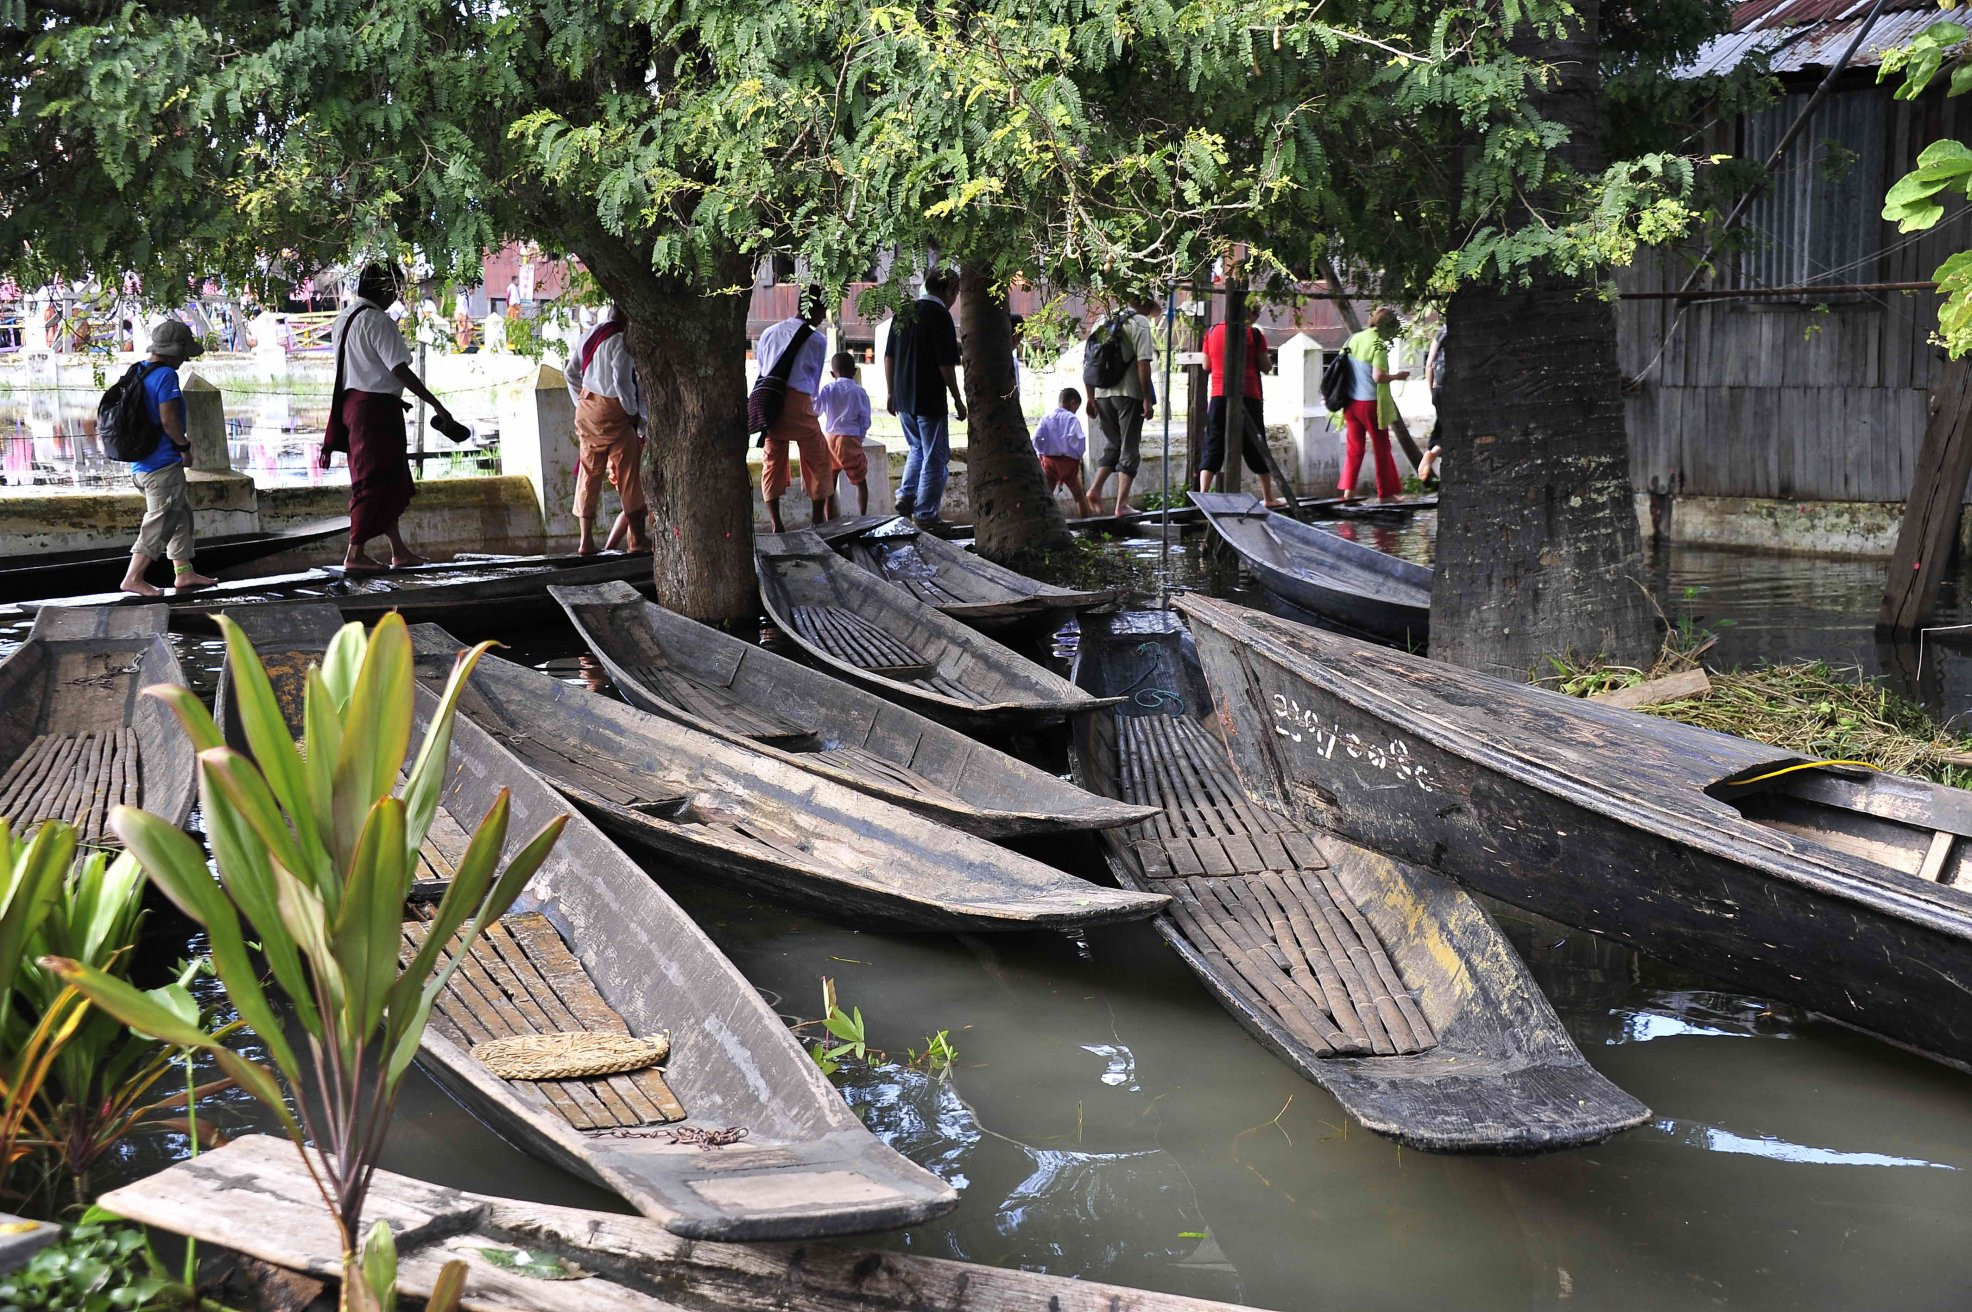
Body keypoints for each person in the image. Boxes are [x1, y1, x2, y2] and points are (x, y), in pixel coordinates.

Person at [321, 262, 460, 573]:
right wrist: (436, 403)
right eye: (395, 289)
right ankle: (354, 553)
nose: (395, 296)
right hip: (375, 412)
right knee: (372, 482)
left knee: (386, 480)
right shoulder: (378, 321)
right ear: (385, 289)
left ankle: (398, 549)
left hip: (354, 407)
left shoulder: (343, 318)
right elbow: (398, 368)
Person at [118, 321, 219, 596]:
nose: (185, 359)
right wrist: (184, 447)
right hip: (161, 464)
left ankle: (184, 573)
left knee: (180, 515)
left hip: (141, 463)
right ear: (176, 351)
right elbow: (169, 418)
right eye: (185, 353)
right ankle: (134, 577)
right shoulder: (165, 376)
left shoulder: (139, 370)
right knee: (160, 520)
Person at [564, 307, 651, 555]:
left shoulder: (589, 335)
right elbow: (622, 382)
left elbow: (570, 373)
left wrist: (581, 401)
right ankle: (636, 540)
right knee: (628, 475)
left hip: (587, 408)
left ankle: (585, 542)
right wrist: (634, 413)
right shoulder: (621, 341)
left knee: (589, 474)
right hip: (613, 410)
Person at [883, 268, 965, 529]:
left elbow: (889, 357)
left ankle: (906, 497)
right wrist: (957, 398)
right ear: (947, 289)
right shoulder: (940, 316)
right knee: (935, 456)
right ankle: (926, 514)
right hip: (929, 396)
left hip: (904, 396)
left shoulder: (904, 312)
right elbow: (945, 365)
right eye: (956, 292)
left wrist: (890, 392)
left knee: (917, 448)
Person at [1084, 295, 1157, 518]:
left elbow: (1090, 360)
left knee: (1113, 444)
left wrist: (1090, 396)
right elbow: (1144, 363)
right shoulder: (1139, 322)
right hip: (1129, 393)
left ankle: (1095, 490)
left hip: (1102, 392)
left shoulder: (1105, 320)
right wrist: (1146, 398)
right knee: (1129, 448)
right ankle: (1122, 505)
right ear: (1144, 304)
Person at [1198, 317, 1284, 504]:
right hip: (1248, 394)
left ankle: (1202, 494)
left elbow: (1206, 366)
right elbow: (1266, 367)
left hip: (1219, 394)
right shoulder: (1253, 333)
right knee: (1257, 444)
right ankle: (1268, 497)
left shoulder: (1211, 331)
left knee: (1213, 441)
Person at [1338, 305, 1409, 504]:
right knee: (1381, 448)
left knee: (1354, 449)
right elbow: (1378, 377)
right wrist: (1397, 376)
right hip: (1370, 405)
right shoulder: (1378, 344)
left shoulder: (1354, 338)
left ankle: (1348, 494)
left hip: (1351, 404)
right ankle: (1386, 495)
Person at [814, 351, 872, 518]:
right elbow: (865, 419)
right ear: (855, 371)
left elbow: (816, 410)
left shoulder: (828, 389)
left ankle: (830, 521)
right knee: (861, 482)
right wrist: (859, 437)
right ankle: (863, 516)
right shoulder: (859, 392)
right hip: (850, 439)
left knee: (829, 483)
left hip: (830, 439)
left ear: (832, 373)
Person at [1032, 386, 1093, 515]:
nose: (1076, 411)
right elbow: (1077, 439)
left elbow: (1036, 438)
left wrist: (1041, 453)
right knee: (1079, 496)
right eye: (1077, 407)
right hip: (1068, 463)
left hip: (1049, 462)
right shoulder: (1071, 418)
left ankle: (1043, 520)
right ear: (1073, 403)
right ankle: (1086, 523)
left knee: (1047, 496)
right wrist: (1077, 456)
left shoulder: (1046, 418)